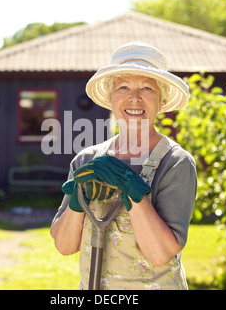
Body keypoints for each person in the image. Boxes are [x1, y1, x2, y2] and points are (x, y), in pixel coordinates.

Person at [50, 42, 197, 290]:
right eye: (124, 87)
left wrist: (131, 186)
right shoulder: (86, 160)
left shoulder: (175, 163)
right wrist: (77, 201)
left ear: (161, 101)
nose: (135, 98)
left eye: (147, 88)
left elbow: (161, 254)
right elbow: (64, 246)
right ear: (111, 97)